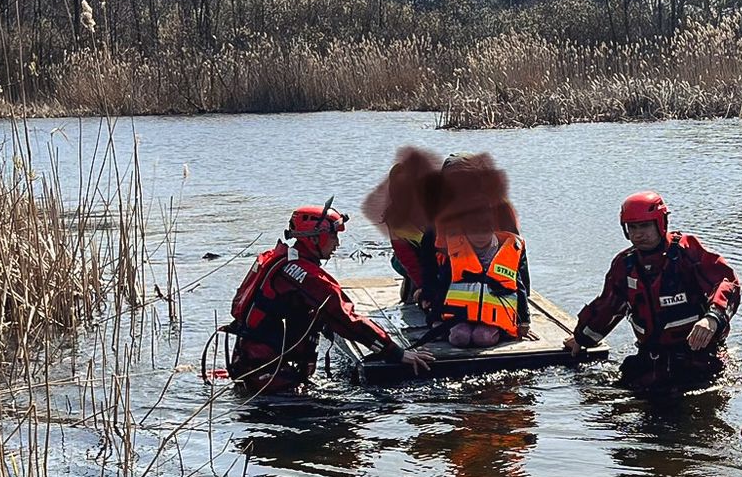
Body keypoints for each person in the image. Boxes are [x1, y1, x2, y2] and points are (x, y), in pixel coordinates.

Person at [224, 200, 434, 395]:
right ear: (315, 238)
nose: (337, 244)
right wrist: (397, 352)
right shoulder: (309, 278)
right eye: (333, 236)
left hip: (251, 366)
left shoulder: (280, 259)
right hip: (270, 377)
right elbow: (346, 318)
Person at [564, 191, 739, 391]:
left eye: (645, 226)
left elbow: (727, 284)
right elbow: (607, 307)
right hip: (651, 358)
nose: (638, 234)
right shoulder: (625, 265)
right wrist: (581, 338)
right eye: (633, 227)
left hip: (698, 360)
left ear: (660, 223)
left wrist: (712, 318)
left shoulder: (687, 252)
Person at [431, 153, 530, 349]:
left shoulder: (500, 207)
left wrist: (522, 318)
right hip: (458, 295)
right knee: (459, 336)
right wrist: (431, 305)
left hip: (495, 303)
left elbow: (518, 263)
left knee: (483, 337)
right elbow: (435, 260)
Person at [361, 148, 447, 317]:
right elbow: (407, 258)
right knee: (400, 263)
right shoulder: (395, 220)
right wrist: (424, 287)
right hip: (415, 261)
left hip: (441, 258)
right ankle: (412, 285)